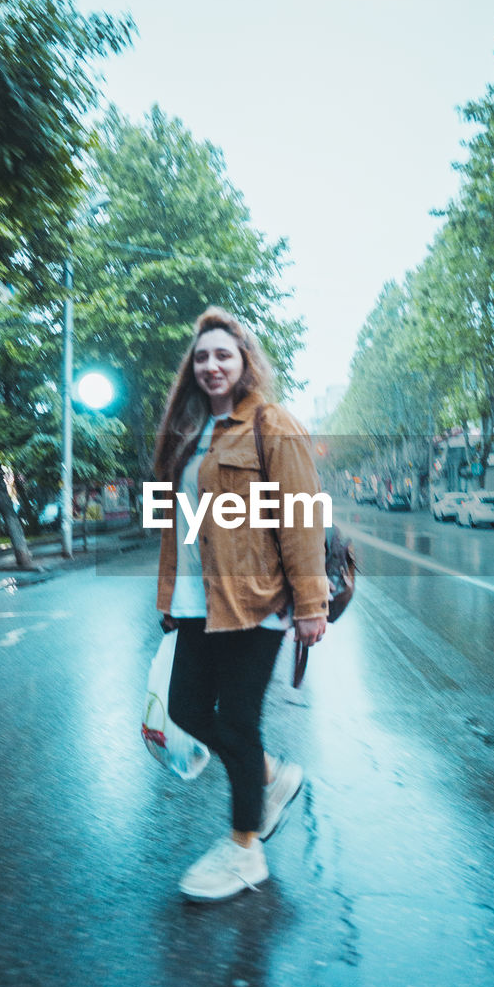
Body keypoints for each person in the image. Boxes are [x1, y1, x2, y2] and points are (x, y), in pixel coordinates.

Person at [153, 306, 329, 902]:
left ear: (245, 361)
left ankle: (245, 851)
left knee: (236, 722)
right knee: (185, 710)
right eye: (201, 357)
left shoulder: (271, 425)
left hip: (258, 602)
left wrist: (312, 604)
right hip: (201, 601)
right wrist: (171, 597)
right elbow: (174, 522)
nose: (211, 365)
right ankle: (271, 775)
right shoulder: (188, 433)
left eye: (223, 354)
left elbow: (302, 518)